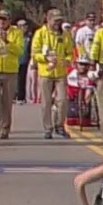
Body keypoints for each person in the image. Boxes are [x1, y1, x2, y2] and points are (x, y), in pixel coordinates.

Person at [31, 9, 74, 139]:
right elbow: (34, 54)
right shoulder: (40, 34)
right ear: (48, 20)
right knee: (46, 102)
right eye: (55, 20)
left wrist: (66, 61)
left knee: (63, 100)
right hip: (46, 72)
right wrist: (46, 59)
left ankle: (59, 126)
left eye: (60, 20)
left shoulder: (65, 35)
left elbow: (70, 53)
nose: (58, 23)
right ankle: (47, 128)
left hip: (60, 72)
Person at [0, 9, 24, 140]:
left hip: (10, 71)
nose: (2, 22)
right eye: (0, 19)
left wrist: (8, 42)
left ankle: (5, 129)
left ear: (9, 21)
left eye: (4, 19)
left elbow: (20, 51)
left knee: (7, 102)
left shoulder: (16, 33)